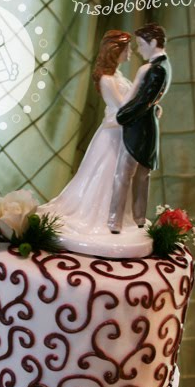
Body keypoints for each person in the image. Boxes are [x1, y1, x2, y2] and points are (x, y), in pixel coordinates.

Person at [39, 30, 144, 238]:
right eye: (127, 49)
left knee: (119, 175)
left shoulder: (118, 76)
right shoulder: (107, 80)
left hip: (122, 133)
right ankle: (103, 216)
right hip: (113, 134)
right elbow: (122, 107)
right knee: (107, 174)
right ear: (116, 51)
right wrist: (142, 92)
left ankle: (117, 217)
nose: (130, 52)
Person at [108, 23, 171, 234]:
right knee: (141, 176)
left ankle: (116, 220)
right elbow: (150, 100)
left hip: (138, 129)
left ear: (153, 43)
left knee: (124, 174)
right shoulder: (163, 66)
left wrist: (123, 116)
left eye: (141, 44)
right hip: (147, 126)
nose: (138, 49)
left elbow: (143, 101)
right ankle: (138, 218)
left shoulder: (154, 69)